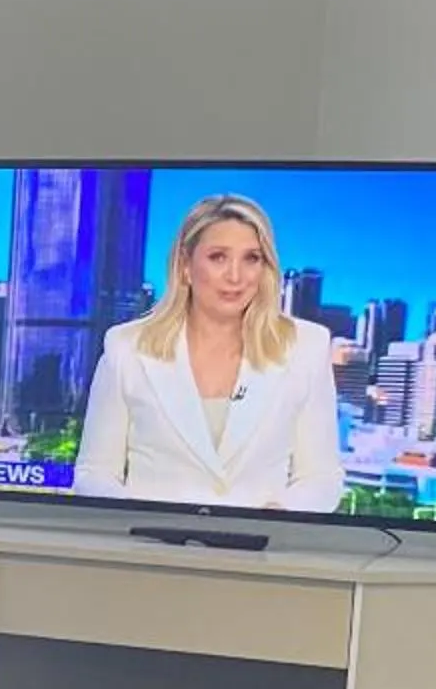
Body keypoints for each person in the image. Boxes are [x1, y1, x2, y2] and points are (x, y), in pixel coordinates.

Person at [72, 193, 345, 513]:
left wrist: (279, 513)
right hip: (149, 550)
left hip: (261, 554)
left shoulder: (305, 346)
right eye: (218, 257)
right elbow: (94, 473)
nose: (235, 276)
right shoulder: (127, 347)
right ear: (186, 266)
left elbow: (321, 477)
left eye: (251, 258)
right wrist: (139, 517)